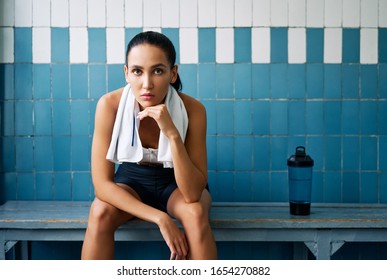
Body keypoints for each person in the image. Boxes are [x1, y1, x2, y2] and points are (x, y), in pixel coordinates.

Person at [81, 31, 217, 260]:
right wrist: (160, 218)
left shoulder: (194, 110)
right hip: (132, 182)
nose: (147, 84)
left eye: (157, 71)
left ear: (173, 73)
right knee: (100, 211)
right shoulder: (109, 105)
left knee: (194, 213)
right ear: (126, 73)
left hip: (177, 184)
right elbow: (102, 186)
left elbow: (193, 193)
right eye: (137, 71)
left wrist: (172, 133)